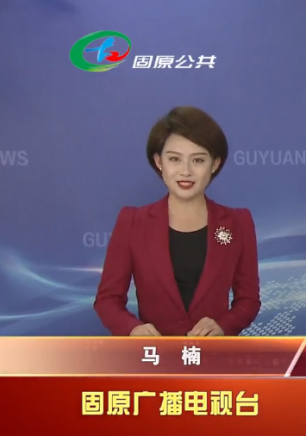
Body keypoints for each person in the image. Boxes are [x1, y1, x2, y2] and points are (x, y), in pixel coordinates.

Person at [94, 106, 261, 336]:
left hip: (212, 355)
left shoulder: (239, 223)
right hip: (153, 354)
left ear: (215, 164)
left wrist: (224, 326)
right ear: (159, 162)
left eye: (198, 160)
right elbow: (107, 300)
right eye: (174, 159)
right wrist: (132, 329)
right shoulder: (132, 221)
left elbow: (248, 300)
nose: (185, 171)